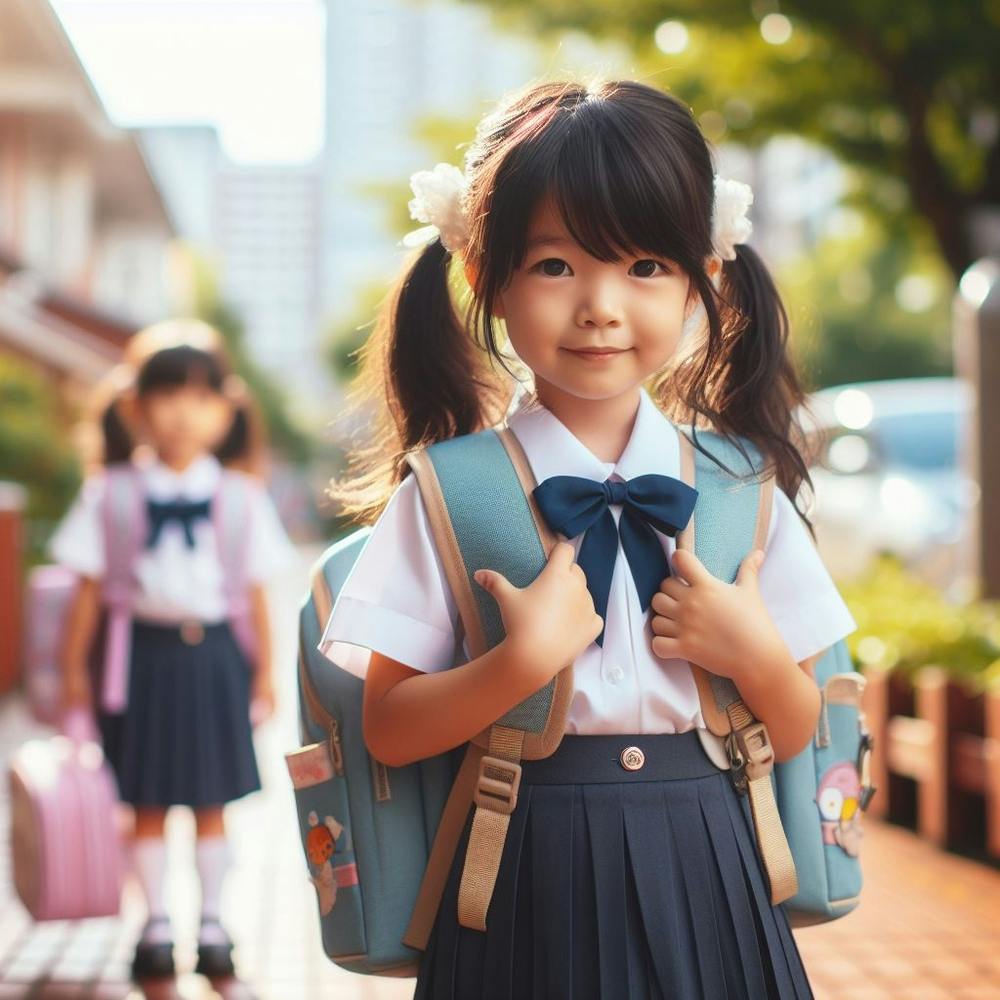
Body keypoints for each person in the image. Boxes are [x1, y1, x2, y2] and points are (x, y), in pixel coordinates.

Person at [319, 78, 857, 999]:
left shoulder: (742, 486)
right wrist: (517, 665)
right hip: (521, 874)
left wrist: (754, 655)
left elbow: (799, 725)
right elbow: (390, 728)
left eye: (645, 265)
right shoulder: (446, 493)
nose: (602, 305)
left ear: (701, 279)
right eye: (555, 265)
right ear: (486, 278)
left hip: (713, 865)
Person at [50, 319, 296, 981]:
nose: (184, 411)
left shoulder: (241, 497)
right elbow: (87, 595)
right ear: (135, 407)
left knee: (213, 800)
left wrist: (266, 675)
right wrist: (72, 673)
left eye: (201, 395)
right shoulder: (110, 494)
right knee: (146, 800)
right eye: (167, 394)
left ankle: (212, 923)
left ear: (226, 409)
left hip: (215, 660)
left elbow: (256, 595)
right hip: (137, 664)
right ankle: (155, 924)